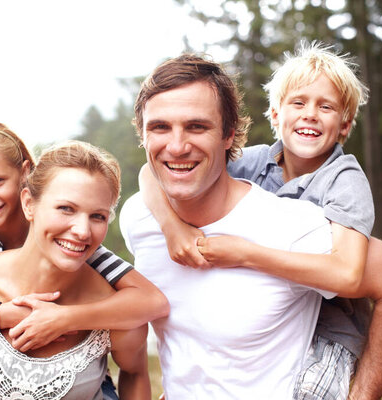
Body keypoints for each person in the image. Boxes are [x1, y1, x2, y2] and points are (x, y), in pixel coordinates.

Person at [137, 49, 382, 399]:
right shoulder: (255, 161)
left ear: (346, 124)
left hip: (330, 327)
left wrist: (246, 254)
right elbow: (151, 172)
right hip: (267, 328)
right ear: (275, 114)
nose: (310, 115)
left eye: (326, 107)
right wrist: (173, 227)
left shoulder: (344, 182)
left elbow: (348, 273)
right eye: (298, 103)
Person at [120, 53, 340, 398]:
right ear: (143, 136)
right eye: (160, 127)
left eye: (197, 126)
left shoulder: (296, 226)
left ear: (228, 135)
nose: (177, 146)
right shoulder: (138, 217)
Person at [0, 121, 169, 399]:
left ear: (23, 175)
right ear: (30, 203)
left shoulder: (82, 247)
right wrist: (8, 314)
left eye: (98, 216)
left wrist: (65, 318)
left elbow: (152, 301)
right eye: (65, 209)